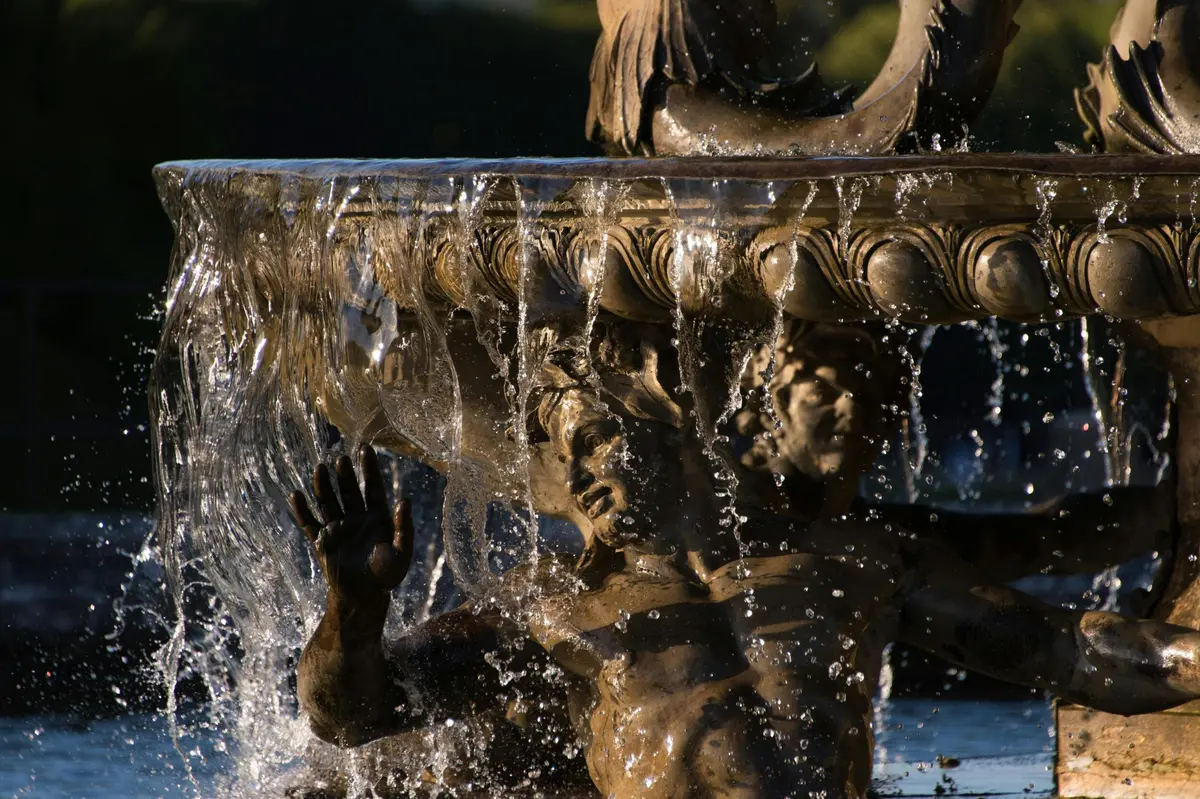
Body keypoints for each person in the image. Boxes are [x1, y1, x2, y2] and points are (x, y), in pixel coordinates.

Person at [293, 324, 1200, 799]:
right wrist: (353, 612)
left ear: (676, 425)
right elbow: (351, 716)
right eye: (563, 452)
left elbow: (1070, 650)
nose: (573, 473)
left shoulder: (853, 563)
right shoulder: (554, 605)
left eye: (595, 439)